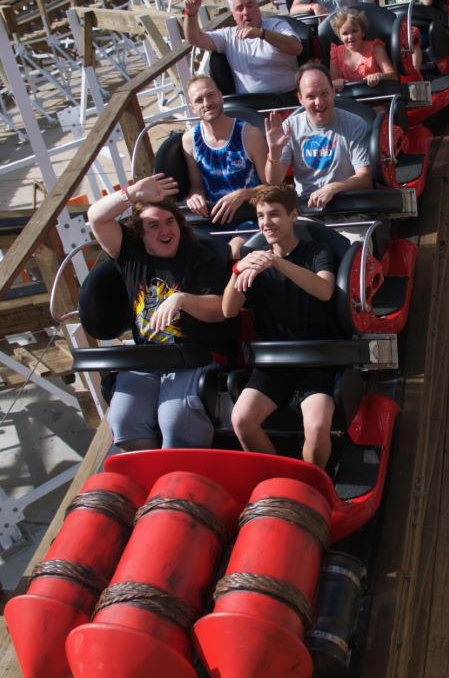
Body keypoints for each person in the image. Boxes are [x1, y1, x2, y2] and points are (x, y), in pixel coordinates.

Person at [87, 173, 236, 451]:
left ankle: (185, 477)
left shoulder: (201, 254)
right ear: (140, 235)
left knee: (176, 419)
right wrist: (130, 194)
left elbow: (220, 311)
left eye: (170, 222)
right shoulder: (131, 254)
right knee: (123, 418)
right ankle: (152, 474)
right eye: (153, 226)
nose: (165, 230)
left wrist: (182, 299)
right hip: (148, 356)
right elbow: (96, 218)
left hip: (194, 355)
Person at [222, 184, 344, 467]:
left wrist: (276, 263)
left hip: (318, 360)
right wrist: (239, 269)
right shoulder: (255, 260)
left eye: (274, 215)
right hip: (275, 363)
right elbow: (228, 310)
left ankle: (312, 481)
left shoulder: (317, 252)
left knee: (314, 427)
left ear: (293, 216)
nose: (266, 223)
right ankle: (278, 481)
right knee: (241, 419)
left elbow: (324, 290)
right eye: (261, 216)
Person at [264, 62, 372, 209]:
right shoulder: (290, 127)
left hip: (349, 208)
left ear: (333, 92)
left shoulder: (355, 125)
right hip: (308, 210)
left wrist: (333, 188)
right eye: (311, 96)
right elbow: (274, 181)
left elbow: (365, 177)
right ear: (300, 98)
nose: (319, 102)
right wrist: (274, 153)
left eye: (324, 94)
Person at [182, 74, 267, 254]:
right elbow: (197, 187)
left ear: (221, 96)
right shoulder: (190, 140)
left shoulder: (250, 134)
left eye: (210, 95)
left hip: (249, 215)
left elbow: (270, 186)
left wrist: (243, 194)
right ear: (192, 108)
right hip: (213, 218)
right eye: (199, 100)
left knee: (232, 251)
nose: (207, 103)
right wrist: (194, 197)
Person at [183, 0, 302, 94]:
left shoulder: (276, 25)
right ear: (233, 14)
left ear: (257, 7)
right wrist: (190, 13)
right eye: (240, 8)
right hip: (247, 106)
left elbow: (296, 47)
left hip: (286, 98)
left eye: (250, 6)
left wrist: (262, 34)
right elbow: (194, 39)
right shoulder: (228, 36)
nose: (246, 12)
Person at [329, 8, 397, 89]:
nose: (350, 36)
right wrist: (336, 82)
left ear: (363, 32)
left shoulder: (375, 48)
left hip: (377, 97)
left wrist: (380, 76)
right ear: (340, 37)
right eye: (345, 33)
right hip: (348, 99)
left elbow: (393, 76)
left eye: (354, 31)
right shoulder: (335, 53)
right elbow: (331, 84)